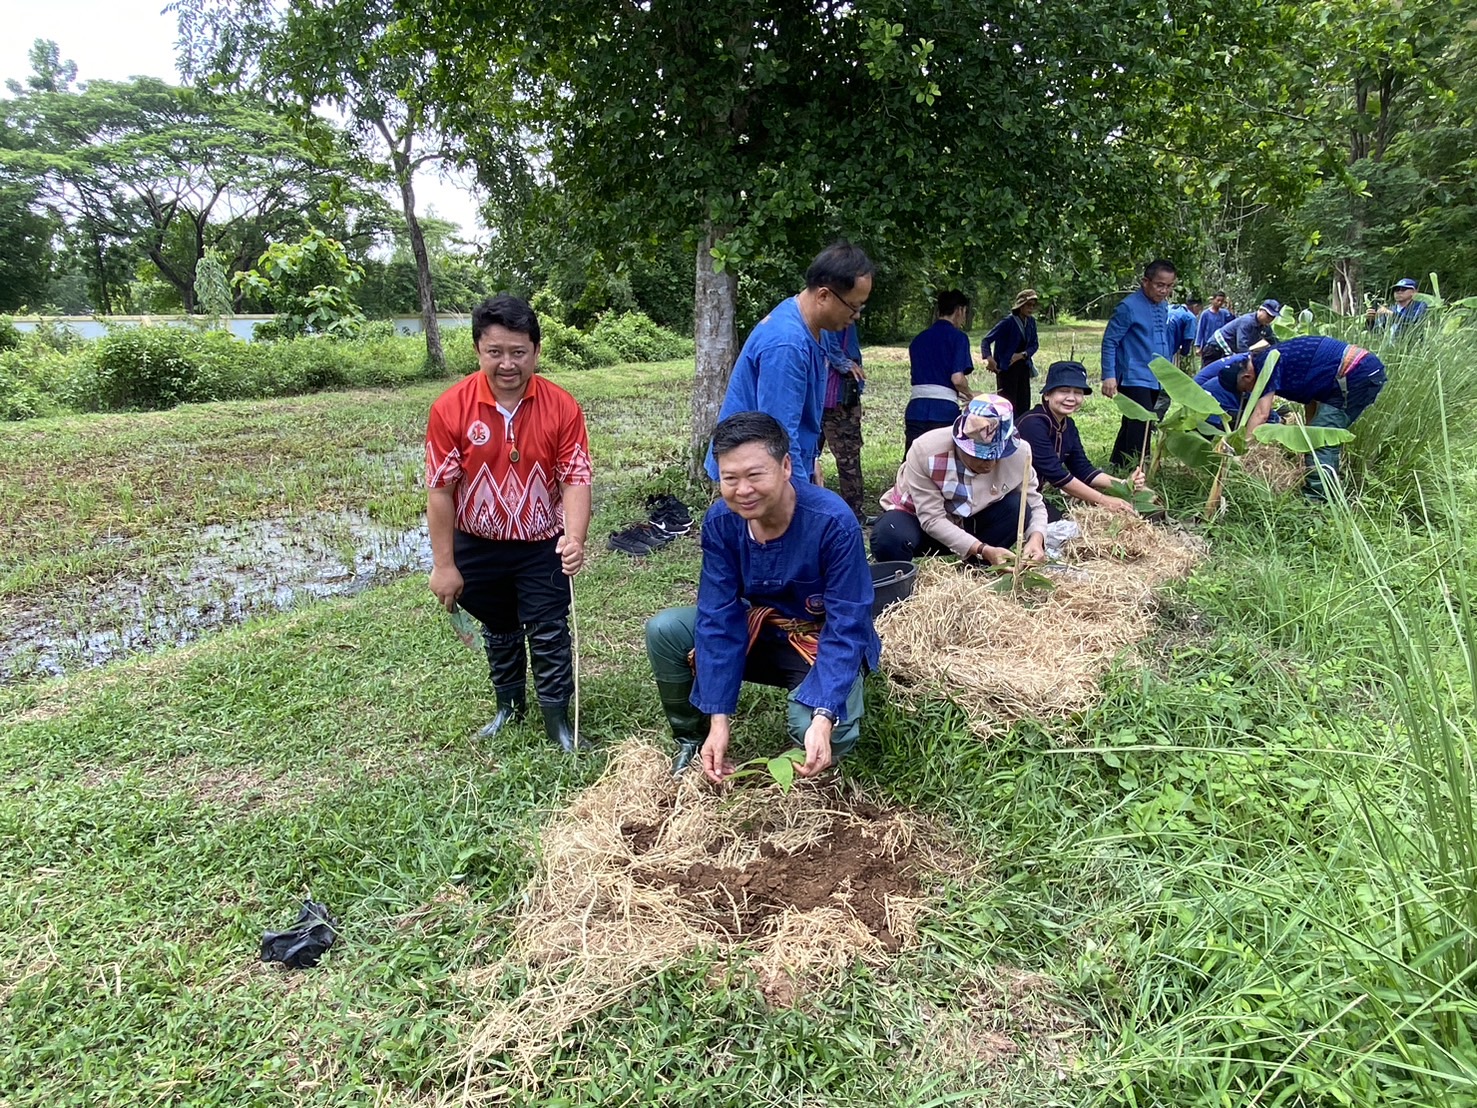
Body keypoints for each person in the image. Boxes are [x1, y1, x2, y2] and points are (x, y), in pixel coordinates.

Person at [647, 412, 880, 781]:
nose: (743, 490)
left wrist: (823, 716)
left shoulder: (833, 522)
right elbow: (717, 616)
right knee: (667, 630)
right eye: (730, 478)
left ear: (786, 466)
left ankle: (818, 740)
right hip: (761, 633)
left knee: (819, 731)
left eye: (755, 475)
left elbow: (848, 625)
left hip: (818, 641)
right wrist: (718, 717)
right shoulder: (722, 522)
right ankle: (694, 741)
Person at [425, 294, 593, 753]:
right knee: (498, 626)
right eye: (495, 352)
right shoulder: (449, 408)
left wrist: (574, 538)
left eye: (518, 352)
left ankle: (558, 719)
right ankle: (509, 707)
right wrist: (444, 565)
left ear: (536, 352)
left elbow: (576, 477)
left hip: (543, 542)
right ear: (478, 350)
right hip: (476, 543)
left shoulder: (562, 406)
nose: (507, 364)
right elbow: (439, 490)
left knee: (549, 629)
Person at [706, 241, 874, 483]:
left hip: (775, 465)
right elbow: (779, 435)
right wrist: (799, 493)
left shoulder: (818, 328)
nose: (856, 316)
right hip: (751, 475)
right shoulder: (787, 344)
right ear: (824, 295)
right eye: (853, 306)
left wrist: (810, 460)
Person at [870, 395, 1047, 565]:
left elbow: (1033, 502)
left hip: (972, 519)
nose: (990, 464)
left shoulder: (1020, 453)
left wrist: (1036, 538)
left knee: (1016, 507)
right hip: (920, 522)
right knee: (889, 534)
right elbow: (931, 519)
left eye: (997, 456)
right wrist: (982, 549)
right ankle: (900, 581)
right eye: (981, 457)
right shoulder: (926, 450)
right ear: (960, 443)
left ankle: (977, 569)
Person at [1211, 336, 1387, 500]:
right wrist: (1306, 441)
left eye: (1244, 389)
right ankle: (1330, 488)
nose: (1248, 393)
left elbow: (1261, 414)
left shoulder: (1266, 363)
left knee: (1322, 443)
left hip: (1355, 373)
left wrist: (1242, 452)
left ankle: (1319, 500)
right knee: (1322, 436)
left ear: (1247, 377)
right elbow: (1312, 401)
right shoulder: (1273, 361)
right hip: (1354, 375)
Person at [1016, 361, 1147, 521]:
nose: (1071, 398)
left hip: (1031, 495)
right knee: (1062, 531)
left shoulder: (1068, 425)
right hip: (1009, 497)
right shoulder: (1033, 424)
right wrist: (1104, 500)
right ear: (1047, 394)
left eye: (1078, 392)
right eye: (1064, 391)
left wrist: (1125, 483)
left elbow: (1083, 470)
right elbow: (1058, 476)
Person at [1101, 259, 1178, 469]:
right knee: (1141, 424)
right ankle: (1137, 470)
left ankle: (1118, 464)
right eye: (1159, 285)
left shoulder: (1163, 306)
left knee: (1132, 423)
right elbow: (1110, 341)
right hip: (1134, 374)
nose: (1164, 291)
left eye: (1169, 286)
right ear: (1146, 281)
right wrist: (1109, 375)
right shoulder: (1128, 307)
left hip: (1156, 376)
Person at [904, 289, 974, 451]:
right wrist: (970, 394)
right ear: (959, 310)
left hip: (916, 408)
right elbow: (957, 378)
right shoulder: (958, 337)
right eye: (964, 312)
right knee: (942, 463)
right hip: (943, 410)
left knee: (913, 461)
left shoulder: (918, 339)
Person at [819, 321, 866, 522]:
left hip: (830, 395)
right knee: (848, 456)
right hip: (837, 398)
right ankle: (853, 513)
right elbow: (829, 342)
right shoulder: (833, 317)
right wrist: (844, 363)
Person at [982, 288, 1040, 417]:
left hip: (1023, 367)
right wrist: (990, 359)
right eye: (1028, 305)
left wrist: (1021, 355)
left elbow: (1034, 344)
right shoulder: (1008, 322)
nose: (1031, 308)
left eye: (1033, 305)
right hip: (1007, 369)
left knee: (1024, 404)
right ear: (1020, 306)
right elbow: (986, 341)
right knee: (1006, 406)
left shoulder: (1031, 322)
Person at [1206, 299, 1280, 360]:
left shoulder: (1265, 326)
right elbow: (1242, 346)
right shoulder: (1247, 322)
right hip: (1216, 347)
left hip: (1230, 350)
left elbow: (1274, 341)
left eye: (1273, 317)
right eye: (1268, 315)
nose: (1270, 319)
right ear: (1260, 310)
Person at [1196, 291, 1234, 365]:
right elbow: (1200, 329)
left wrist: (1230, 310)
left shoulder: (1224, 313)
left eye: (1222, 301)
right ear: (1213, 300)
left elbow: (1232, 323)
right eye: (1218, 300)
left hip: (1221, 346)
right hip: (1208, 346)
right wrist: (1198, 346)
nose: (1220, 303)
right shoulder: (1205, 314)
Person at [1168, 295, 1203, 368]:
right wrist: (1184, 352)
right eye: (1199, 310)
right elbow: (1188, 339)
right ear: (1195, 306)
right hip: (1170, 346)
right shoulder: (1190, 317)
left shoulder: (1170, 308)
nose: (1198, 313)